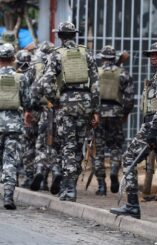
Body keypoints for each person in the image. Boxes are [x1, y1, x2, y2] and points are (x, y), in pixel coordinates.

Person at [110, 42, 157, 228]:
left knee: (129, 158)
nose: (153, 57)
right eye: (151, 54)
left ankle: (132, 205)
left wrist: (153, 129)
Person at [29, 22, 100, 202]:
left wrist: (56, 99)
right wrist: (95, 110)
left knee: (67, 145)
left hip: (66, 104)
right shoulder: (86, 54)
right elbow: (95, 84)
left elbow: (45, 82)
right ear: (74, 35)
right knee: (78, 146)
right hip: (85, 105)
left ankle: (68, 189)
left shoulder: (55, 55)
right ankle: (70, 186)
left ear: (60, 36)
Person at [91, 45, 134, 196]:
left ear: (102, 58)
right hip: (116, 113)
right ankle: (114, 170)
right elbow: (129, 98)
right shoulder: (123, 74)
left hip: (99, 114)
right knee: (116, 146)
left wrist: (92, 113)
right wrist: (125, 114)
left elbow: (91, 95)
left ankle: (101, 186)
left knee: (98, 150)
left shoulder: (96, 73)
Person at [0, 43, 30, 209]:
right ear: (13, 59)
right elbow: (27, 101)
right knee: (10, 161)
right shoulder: (21, 77)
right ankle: (8, 197)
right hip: (14, 126)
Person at [32, 41, 62, 194]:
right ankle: (56, 171)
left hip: (45, 110)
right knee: (56, 145)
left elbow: (35, 90)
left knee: (42, 144)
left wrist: (35, 107)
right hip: (61, 111)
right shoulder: (63, 66)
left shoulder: (40, 68)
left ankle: (39, 172)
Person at [15, 49, 39, 189]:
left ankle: (21, 177)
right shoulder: (36, 74)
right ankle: (35, 177)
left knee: (23, 147)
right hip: (38, 114)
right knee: (37, 147)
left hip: (23, 115)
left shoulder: (17, 77)